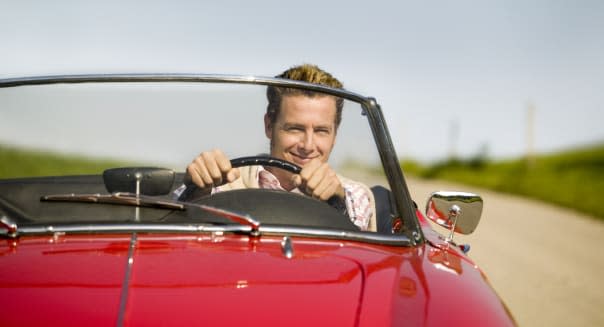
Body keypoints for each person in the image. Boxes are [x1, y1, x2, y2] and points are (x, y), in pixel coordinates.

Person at [175, 64, 375, 231]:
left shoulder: (352, 194)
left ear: (335, 136)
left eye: (321, 131)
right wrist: (198, 190)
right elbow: (171, 224)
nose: (308, 145)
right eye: (295, 129)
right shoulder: (220, 182)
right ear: (269, 126)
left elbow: (358, 247)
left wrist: (337, 202)